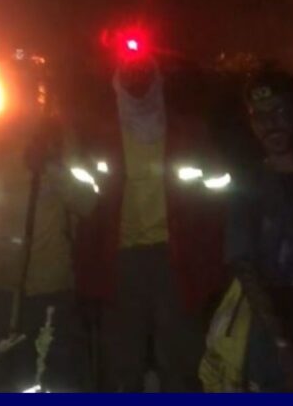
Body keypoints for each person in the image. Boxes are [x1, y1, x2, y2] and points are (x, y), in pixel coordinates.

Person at [72, 41, 227, 392]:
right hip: (120, 263)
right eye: (130, 74)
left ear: (156, 78)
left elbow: (216, 198)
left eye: (144, 73)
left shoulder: (190, 132)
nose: (137, 81)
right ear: (117, 79)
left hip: (176, 261)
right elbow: (84, 209)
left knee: (181, 360)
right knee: (121, 363)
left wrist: (212, 263)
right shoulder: (99, 136)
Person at [0, 88, 93, 392]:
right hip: (3, 285)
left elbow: (87, 201)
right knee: (10, 374)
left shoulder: (59, 139)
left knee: (55, 374)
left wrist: (50, 167)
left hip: (52, 283)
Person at [208, 71, 293, 391]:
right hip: (274, 347)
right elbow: (244, 264)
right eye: (260, 117)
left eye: (279, 112)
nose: (270, 124)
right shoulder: (249, 186)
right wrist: (284, 345)